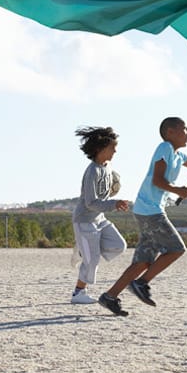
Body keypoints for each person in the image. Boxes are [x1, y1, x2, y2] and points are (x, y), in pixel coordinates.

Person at [98, 117, 187, 316]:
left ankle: (109, 296)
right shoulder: (164, 148)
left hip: (148, 210)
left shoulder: (179, 155)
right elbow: (158, 180)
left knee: (142, 262)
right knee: (176, 248)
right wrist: (178, 191)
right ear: (170, 133)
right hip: (151, 211)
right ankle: (141, 283)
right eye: (185, 129)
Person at [70, 126, 129, 304]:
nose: (115, 151)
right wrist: (114, 204)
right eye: (112, 147)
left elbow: (107, 190)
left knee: (119, 245)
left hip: (100, 219)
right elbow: (90, 203)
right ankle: (78, 293)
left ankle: (85, 251)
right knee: (92, 259)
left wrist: (113, 190)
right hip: (85, 221)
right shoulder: (91, 172)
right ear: (99, 149)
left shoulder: (108, 167)